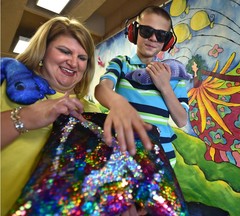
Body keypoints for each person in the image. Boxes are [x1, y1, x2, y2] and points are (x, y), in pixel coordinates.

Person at [0, 16, 99, 215]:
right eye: (64, 51)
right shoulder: (7, 88)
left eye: (82, 58)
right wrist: (26, 117)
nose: (73, 62)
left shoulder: (91, 110)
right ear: (42, 52)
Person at [94, 6, 189, 167]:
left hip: (161, 162)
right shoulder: (122, 63)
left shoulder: (173, 75)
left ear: (167, 42)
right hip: (121, 155)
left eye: (160, 35)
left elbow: (181, 120)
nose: (153, 38)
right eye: (146, 31)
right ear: (134, 32)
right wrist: (117, 102)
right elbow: (102, 89)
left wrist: (164, 86)